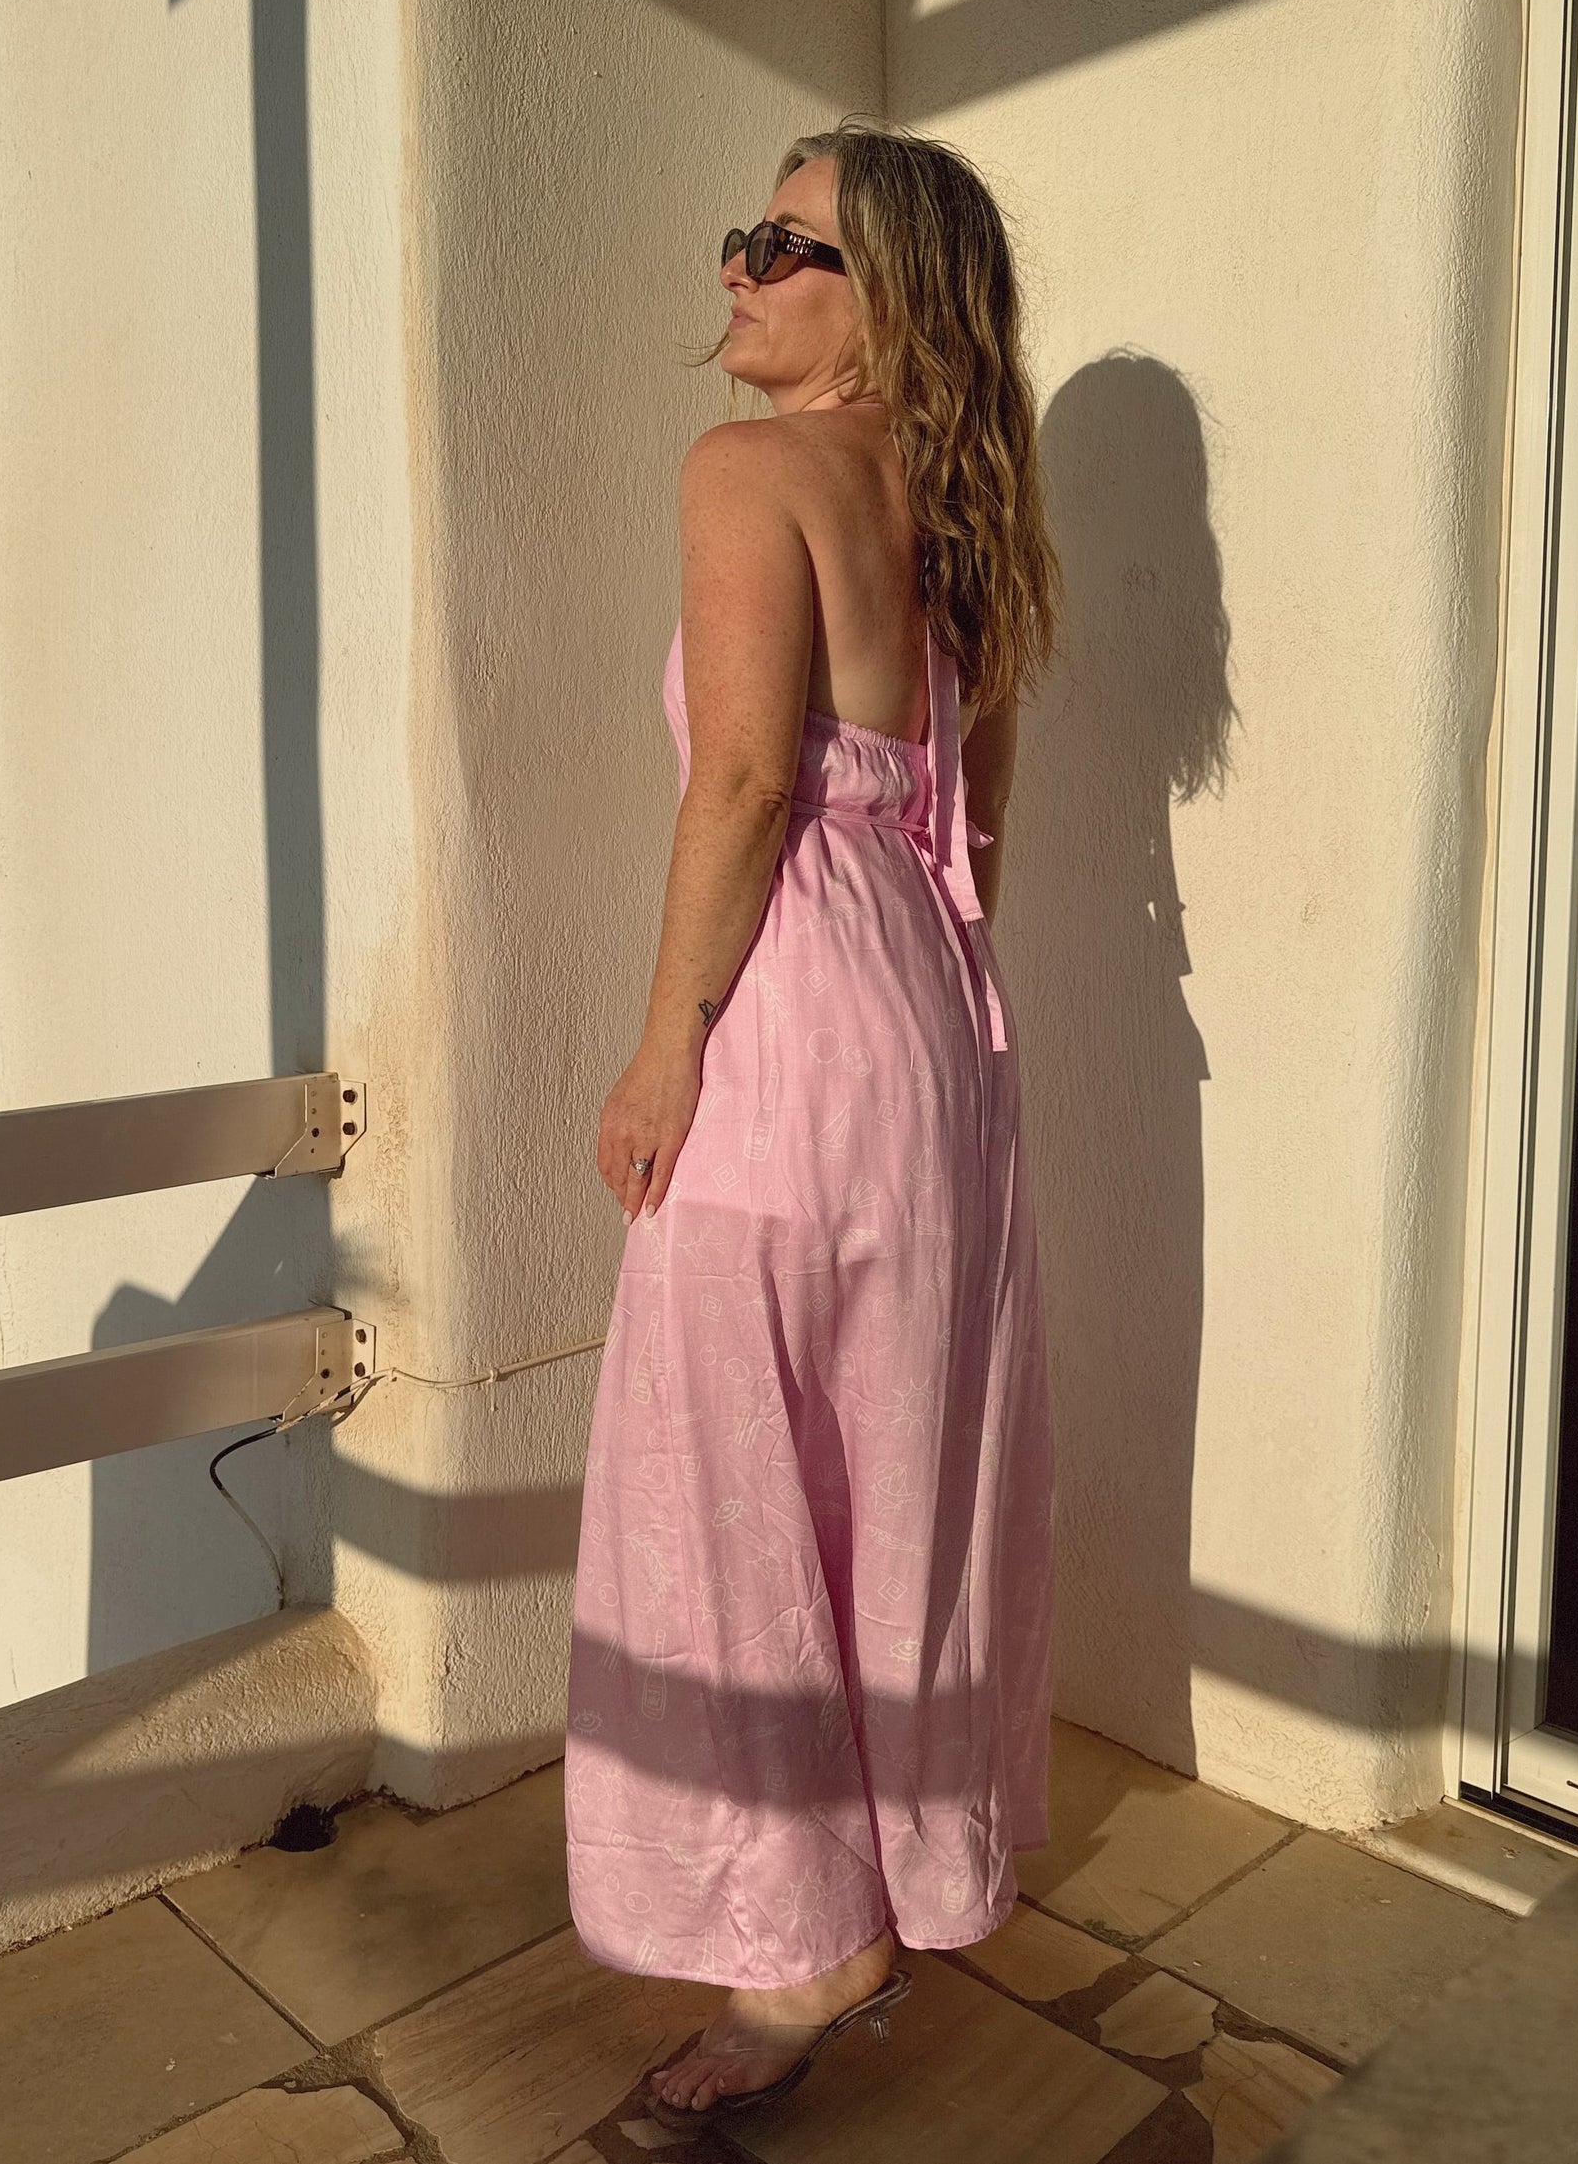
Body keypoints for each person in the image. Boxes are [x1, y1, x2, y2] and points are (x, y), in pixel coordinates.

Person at [564, 118, 1061, 2127]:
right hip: (933, 1016)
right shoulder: (958, 509)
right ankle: (914, 1866)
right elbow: (976, 813)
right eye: (743, 235)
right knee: (905, 1464)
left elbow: (749, 777)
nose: (733, 272)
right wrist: (910, 1008)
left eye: (779, 246)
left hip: (786, 994)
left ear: (882, 302)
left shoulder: (744, 472)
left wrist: (666, 1040)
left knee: (734, 1484)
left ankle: (797, 1949)